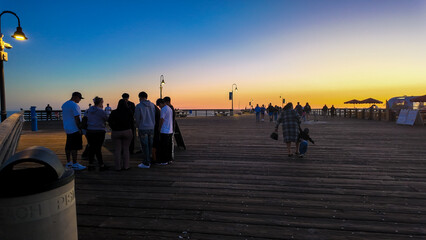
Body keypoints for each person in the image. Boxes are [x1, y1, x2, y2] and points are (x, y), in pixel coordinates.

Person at [61, 92, 86, 170]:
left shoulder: (64, 104)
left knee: (68, 146)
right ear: (75, 97)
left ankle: (69, 163)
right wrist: (80, 128)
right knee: (74, 146)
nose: (80, 100)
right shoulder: (74, 105)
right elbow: (77, 118)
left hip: (67, 128)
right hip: (74, 128)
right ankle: (75, 164)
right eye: (79, 98)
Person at [108, 99, 134, 171]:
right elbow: (132, 122)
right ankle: (126, 166)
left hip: (116, 132)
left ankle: (118, 167)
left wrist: (113, 128)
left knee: (117, 150)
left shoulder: (114, 112)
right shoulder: (129, 112)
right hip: (127, 131)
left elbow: (109, 122)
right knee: (126, 149)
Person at [85, 96, 109, 171]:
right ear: (100, 102)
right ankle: (101, 165)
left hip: (89, 131)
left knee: (91, 147)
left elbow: (85, 119)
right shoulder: (101, 111)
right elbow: (106, 119)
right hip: (99, 131)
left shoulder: (88, 110)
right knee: (98, 148)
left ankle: (90, 164)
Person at [134, 91, 156, 168]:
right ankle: (149, 159)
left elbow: (137, 118)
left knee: (145, 146)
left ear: (140, 97)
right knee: (150, 145)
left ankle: (146, 163)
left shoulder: (138, 106)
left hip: (143, 127)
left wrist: (138, 126)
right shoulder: (152, 105)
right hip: (152, 127)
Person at [156, 98, 173, 165]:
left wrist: (159, 128)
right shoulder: (169, 108)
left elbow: (161, 119)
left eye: (159, 105)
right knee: (169, 146)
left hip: (164, 130)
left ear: (160, 103)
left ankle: (164, 161)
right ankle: (169, 159)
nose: (159, 107)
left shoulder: (163, 109)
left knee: (163, 147)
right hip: (170, 130)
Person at [163, 96, 176, 161]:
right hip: (171, 127)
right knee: (170, 143)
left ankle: (170, 157)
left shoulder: (169, 108)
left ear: (167, 102)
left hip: (170, 128)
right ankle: (170, 157)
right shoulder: (172, 108)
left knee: (170, 143)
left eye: (164, 102)